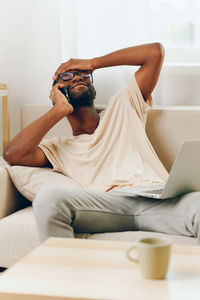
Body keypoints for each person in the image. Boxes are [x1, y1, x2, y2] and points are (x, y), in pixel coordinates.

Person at [3, 43, 200, 243]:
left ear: (94, 92)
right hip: (108, 207)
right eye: (67, 77)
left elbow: (154, 53)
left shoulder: (124, 106)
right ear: (58, 94)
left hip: (159, 200)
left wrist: (92, 63)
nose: (78, 77)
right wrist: (59, 109)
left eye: (84, 74)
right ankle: (64, 270)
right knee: (48, 199)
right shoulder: (58, 147)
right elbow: (13, 154)